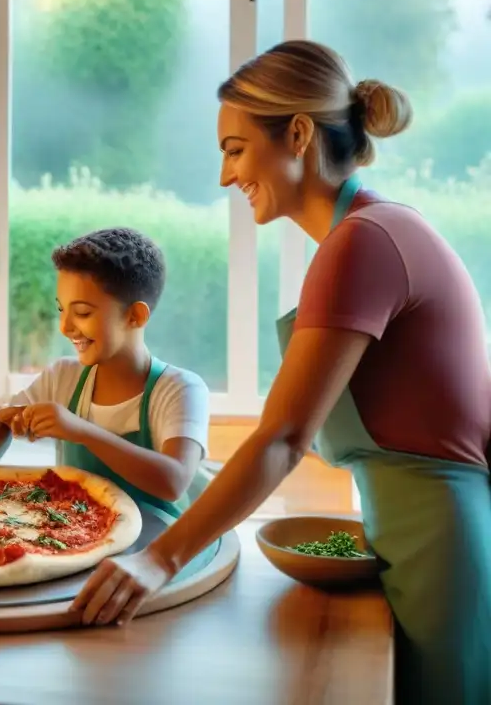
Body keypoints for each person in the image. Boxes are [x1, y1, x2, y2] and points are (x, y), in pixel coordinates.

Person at [72, 41, 491, 705]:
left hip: (439, 549)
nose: (223, 175)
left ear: (297, 134)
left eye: (235, 149)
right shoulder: (375, 230)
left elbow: (281, 438)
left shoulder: (362, 243)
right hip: (420, 534)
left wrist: (158, 558)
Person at [0, 228, 215, 544]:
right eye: (61, 310)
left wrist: (80, 429)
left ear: (134, 316)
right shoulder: (64, 376)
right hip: (75, 538)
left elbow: (173, 481)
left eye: (82, 312)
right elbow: (4, 422)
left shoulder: (180, 389)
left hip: (157, 549)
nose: (65, 327)